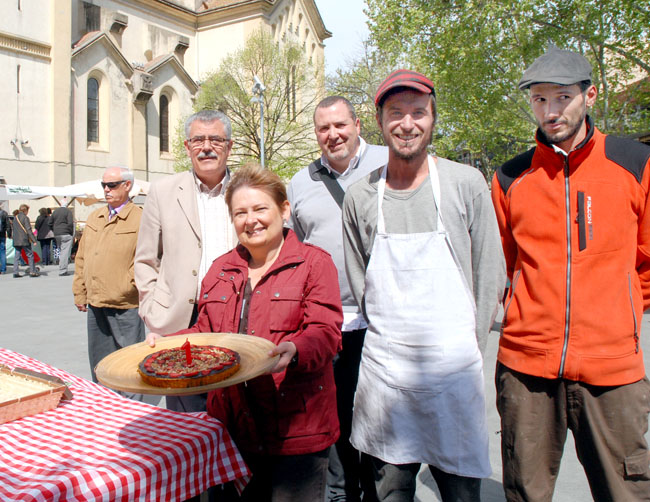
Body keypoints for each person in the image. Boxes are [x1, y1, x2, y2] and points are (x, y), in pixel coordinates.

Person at [491, 46, 650, 501]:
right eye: (539, 100)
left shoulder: (634, 165)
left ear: (590, 95)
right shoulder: (510, 178)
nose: (550, 110)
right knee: (525, 491)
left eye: (561, 97)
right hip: (526, 367)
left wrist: (616, 313)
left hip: (613, 368)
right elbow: (503, 266)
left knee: (627, 492)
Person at [342, 69, 506, 502]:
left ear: (433, 119)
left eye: (418, 112)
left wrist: (469, 344)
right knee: (389, 492)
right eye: (396, 113)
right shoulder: (361, 196)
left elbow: (491, 270)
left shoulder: (464, 184)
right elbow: (361, 278)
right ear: (379, 122)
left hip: (452, 371)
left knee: (459, 492)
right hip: (386, 375)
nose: (407, 123)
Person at [146, 164, 343, 501]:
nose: (250, 220)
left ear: (284, 210)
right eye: (240, 212)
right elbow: (205, 332)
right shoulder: (221, 268)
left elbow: (325, 332)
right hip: (234, 428)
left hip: (296, 430)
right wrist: (171, 342)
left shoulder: (315, 263)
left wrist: (294, 350)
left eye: (260, 209)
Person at [287, 95, 387, 502]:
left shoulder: (388, 162)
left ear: (358, 124)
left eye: (340, 125)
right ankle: (341, 493)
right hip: (329, 322)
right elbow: (295, 249)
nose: (333, 135)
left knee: (382, 419)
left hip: (383, 319)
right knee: (336, 418)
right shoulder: (300, 182)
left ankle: (382, 493)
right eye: (324, 129)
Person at [135, 109, 238, 412]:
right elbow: (145, 259)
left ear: (229, 146)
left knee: (236, 404)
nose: (207, 147)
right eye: (198, 140)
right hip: (179, 318)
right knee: (186, 415)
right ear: (187, 146)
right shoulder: (163, 191)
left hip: (234, 315)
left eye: (216, 140)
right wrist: (151, 309)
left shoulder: (247, 189)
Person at [72, 167, 145, 401]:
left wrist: (130, 284)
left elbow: (151, 258)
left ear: (127, 186)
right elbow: (81, 257)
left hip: (126, 303)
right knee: (100, 362)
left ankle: (132, 411)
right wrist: (80, 292)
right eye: (104, 185)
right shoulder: (96, 217)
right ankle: (106, 405)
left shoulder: (141, 218)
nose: (106, 190)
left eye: (112, 185)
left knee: (129, 363)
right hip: (96, 303)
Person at [11, 204, 40, 278]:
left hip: (16, 240)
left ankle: (15, 271)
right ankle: (32, 271)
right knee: (30, 255)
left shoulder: (15, 217)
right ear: (25, 210)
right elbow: (28, 230)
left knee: (17, 256)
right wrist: (34, 240)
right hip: (24, 239)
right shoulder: (25, 218)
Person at [51, 197, 75, 276]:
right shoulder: (68, 212)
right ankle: (63, 270)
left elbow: (49, 222)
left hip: (57, 234)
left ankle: (61, 267)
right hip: (66, 233)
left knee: (61, 250)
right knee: (65, 252)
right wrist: (71, 232)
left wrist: (54, 230)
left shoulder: (55, 212)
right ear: (67, 204)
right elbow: (70, 223)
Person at [0, 206, 8, 274]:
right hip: (2, 234)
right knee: (2, 252)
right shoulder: (4, 213)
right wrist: (9, 233)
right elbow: (7, 224)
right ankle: (3, 269)